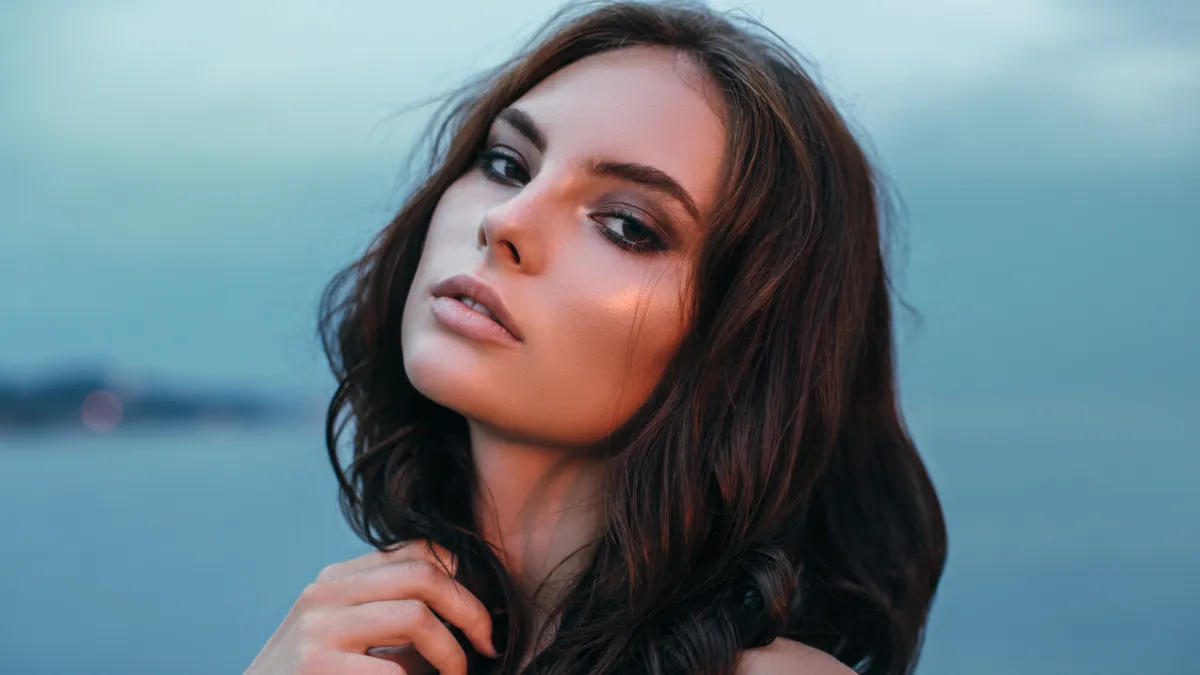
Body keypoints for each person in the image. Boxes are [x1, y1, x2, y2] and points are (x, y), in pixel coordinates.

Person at [245, 1, 947, 673]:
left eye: (627, 226)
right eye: (506, 164)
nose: (507, 222)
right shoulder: (363, 652)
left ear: (742, 347)